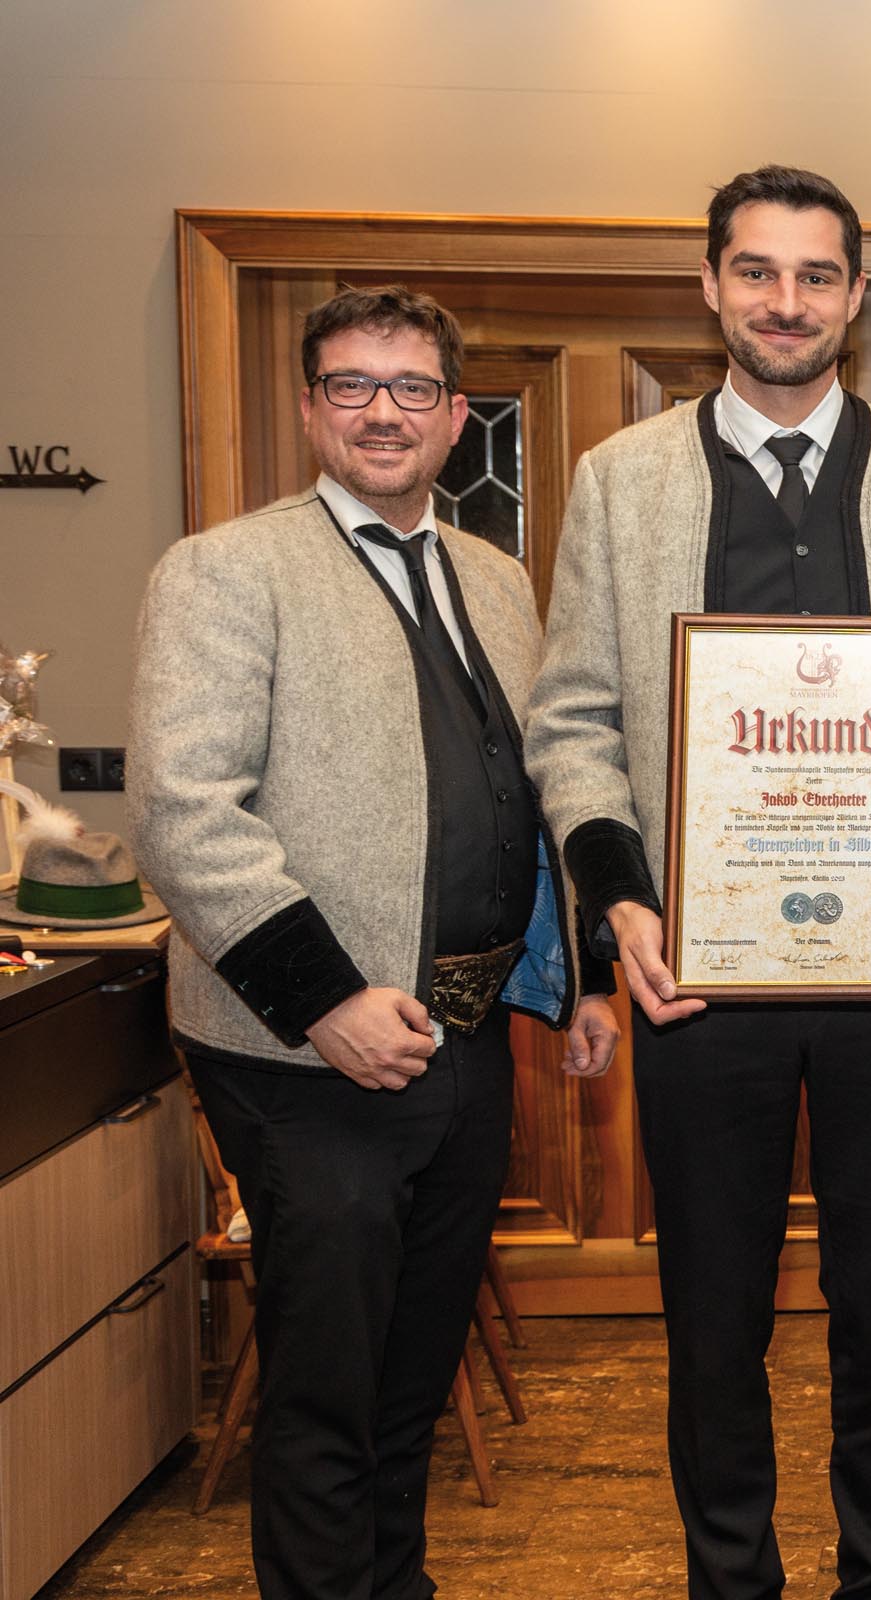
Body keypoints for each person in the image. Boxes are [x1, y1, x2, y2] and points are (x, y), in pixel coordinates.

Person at [523, 164, 871, 1600]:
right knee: (713, 1312)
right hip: (700, 977)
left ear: (854, 296)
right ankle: (729, 1576)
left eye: (815, 276)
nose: (785, 301)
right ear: (711, 286)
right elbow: (574, 720)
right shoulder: (620, 481)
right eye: (756, 271)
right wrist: (624, 904)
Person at [128, 284, 619, 1600]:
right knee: (327, 1398)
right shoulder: (226, 571)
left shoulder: (496, 579)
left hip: (465, 1041)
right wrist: (326, 1000)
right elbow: (182, 811)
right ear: (310, 409)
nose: (382, 412)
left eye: (411, 388)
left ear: (456, 416)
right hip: (302, 1057)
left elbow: (527, 791)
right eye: (351, 384)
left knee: (411, 1382)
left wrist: (578, 976)